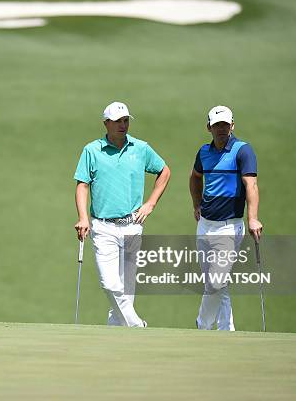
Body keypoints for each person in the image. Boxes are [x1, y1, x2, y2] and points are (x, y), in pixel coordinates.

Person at [73, 101, 171, 327]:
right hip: (103, 226)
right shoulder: (92, 150)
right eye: (117, 121)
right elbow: (82, 185)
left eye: (125, 120)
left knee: (127, 290)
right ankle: (136, 325)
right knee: (109, 284)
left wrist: (150, 204)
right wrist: (83, 217)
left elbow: (164, 171)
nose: (123, 125)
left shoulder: (140, 148)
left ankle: (117, 333)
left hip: (133, 225)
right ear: (106, 123)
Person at [189, 105, 263, 331]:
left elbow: (250, 184)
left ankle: (202, 324)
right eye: (216, 125)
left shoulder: (242, 150)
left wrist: (253, 218)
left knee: (216, 281)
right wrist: (196, 204)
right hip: (205, 226)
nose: (221, 129)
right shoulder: (204, 152)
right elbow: (195, 178)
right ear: (209, 127)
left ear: (232, 125)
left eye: (225, 124)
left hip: (229, 227)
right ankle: (225, 330)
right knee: (216, 285)